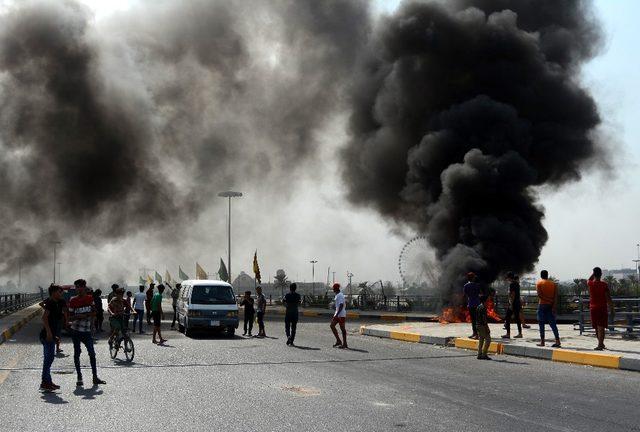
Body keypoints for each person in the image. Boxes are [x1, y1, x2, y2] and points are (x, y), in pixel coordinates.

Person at [68, 279, 106, 386]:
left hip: (87, 331)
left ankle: (95, 377)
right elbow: (70, 317)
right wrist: (79, 316)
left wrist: (92, 321)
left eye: (80, 286)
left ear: (84, 287)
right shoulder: (73, 300)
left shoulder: (90, 299)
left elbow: (95, 312)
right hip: (76, 331)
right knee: (77, 353)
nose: (78, 289)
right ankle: (79, 377)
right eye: (77, 287)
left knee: (92, 354)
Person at [39, 285, 65, 391]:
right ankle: (45, 383)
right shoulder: (50, 303)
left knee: (49, 359)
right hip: (47, 335)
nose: (61, 294)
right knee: (48, 360)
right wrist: (49, 333)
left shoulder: (55, 303)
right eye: (59, 292)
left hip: (51, 335)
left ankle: (47, 382)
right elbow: (44, 317)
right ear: (54, 292)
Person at [588, 267, 614, 350]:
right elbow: (608, 298)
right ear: (601, 274)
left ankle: (601, 344)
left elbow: (589, 279)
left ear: (594, 274)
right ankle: (600, 344)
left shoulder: (590, 283)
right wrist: (612, 309)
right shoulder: (604, 285)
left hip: (593, 308)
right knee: (601, 327)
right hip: (602, 308)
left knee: (596, 327)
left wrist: (593, 273)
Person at [536, 270, 561, 348]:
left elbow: (540, 295)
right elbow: (556, 296)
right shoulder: (553, 284)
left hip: (542, 305)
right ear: (547, 275)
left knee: (541, 324)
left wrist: (547, 300)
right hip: (551, 306)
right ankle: (557, 341)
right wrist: (554, 305)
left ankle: (542, 341)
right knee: (553, 324)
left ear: (541, 275)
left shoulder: (539, 283)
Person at [502, 272, 523, 339]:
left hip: (513, 303)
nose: (507, 279)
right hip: (517, 303)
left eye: (507, 278)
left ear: (509, 277)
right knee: (517, 318)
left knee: (507, 318)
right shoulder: (517, 284)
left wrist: (511, 304)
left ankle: (508, 334)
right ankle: (520, 333)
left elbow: (513, 294)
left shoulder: (512, 284)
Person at [463, 272, 481, 339]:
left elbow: (464, 295)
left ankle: (475, 333)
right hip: (477, 304)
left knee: (473, 320)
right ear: (473, 278)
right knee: (477, 320)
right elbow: (480, 294)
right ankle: (477, 334)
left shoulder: (466, 286)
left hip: (471, 304)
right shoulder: (477, 285)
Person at [330, 283, 348, 349]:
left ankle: (345, 344)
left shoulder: (340, 295)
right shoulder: (337, 295)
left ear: (336, 288)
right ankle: (338, 341)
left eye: (333, 288)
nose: (333, 290)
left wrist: (337, 315)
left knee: (342, 329)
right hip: (338, 314)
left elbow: (341, 305)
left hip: (341, 315)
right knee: (332, 325)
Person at [476, 295, 491, 360]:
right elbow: (484, 319)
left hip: (478, 325)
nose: (488, 301)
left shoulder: (478, 306)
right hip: (482, 326)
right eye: (487, 300)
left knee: (481, 339)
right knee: (488, 339)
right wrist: (487, 327)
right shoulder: (483, 307)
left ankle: (479, 354)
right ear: (485, 300)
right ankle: (484, 354)